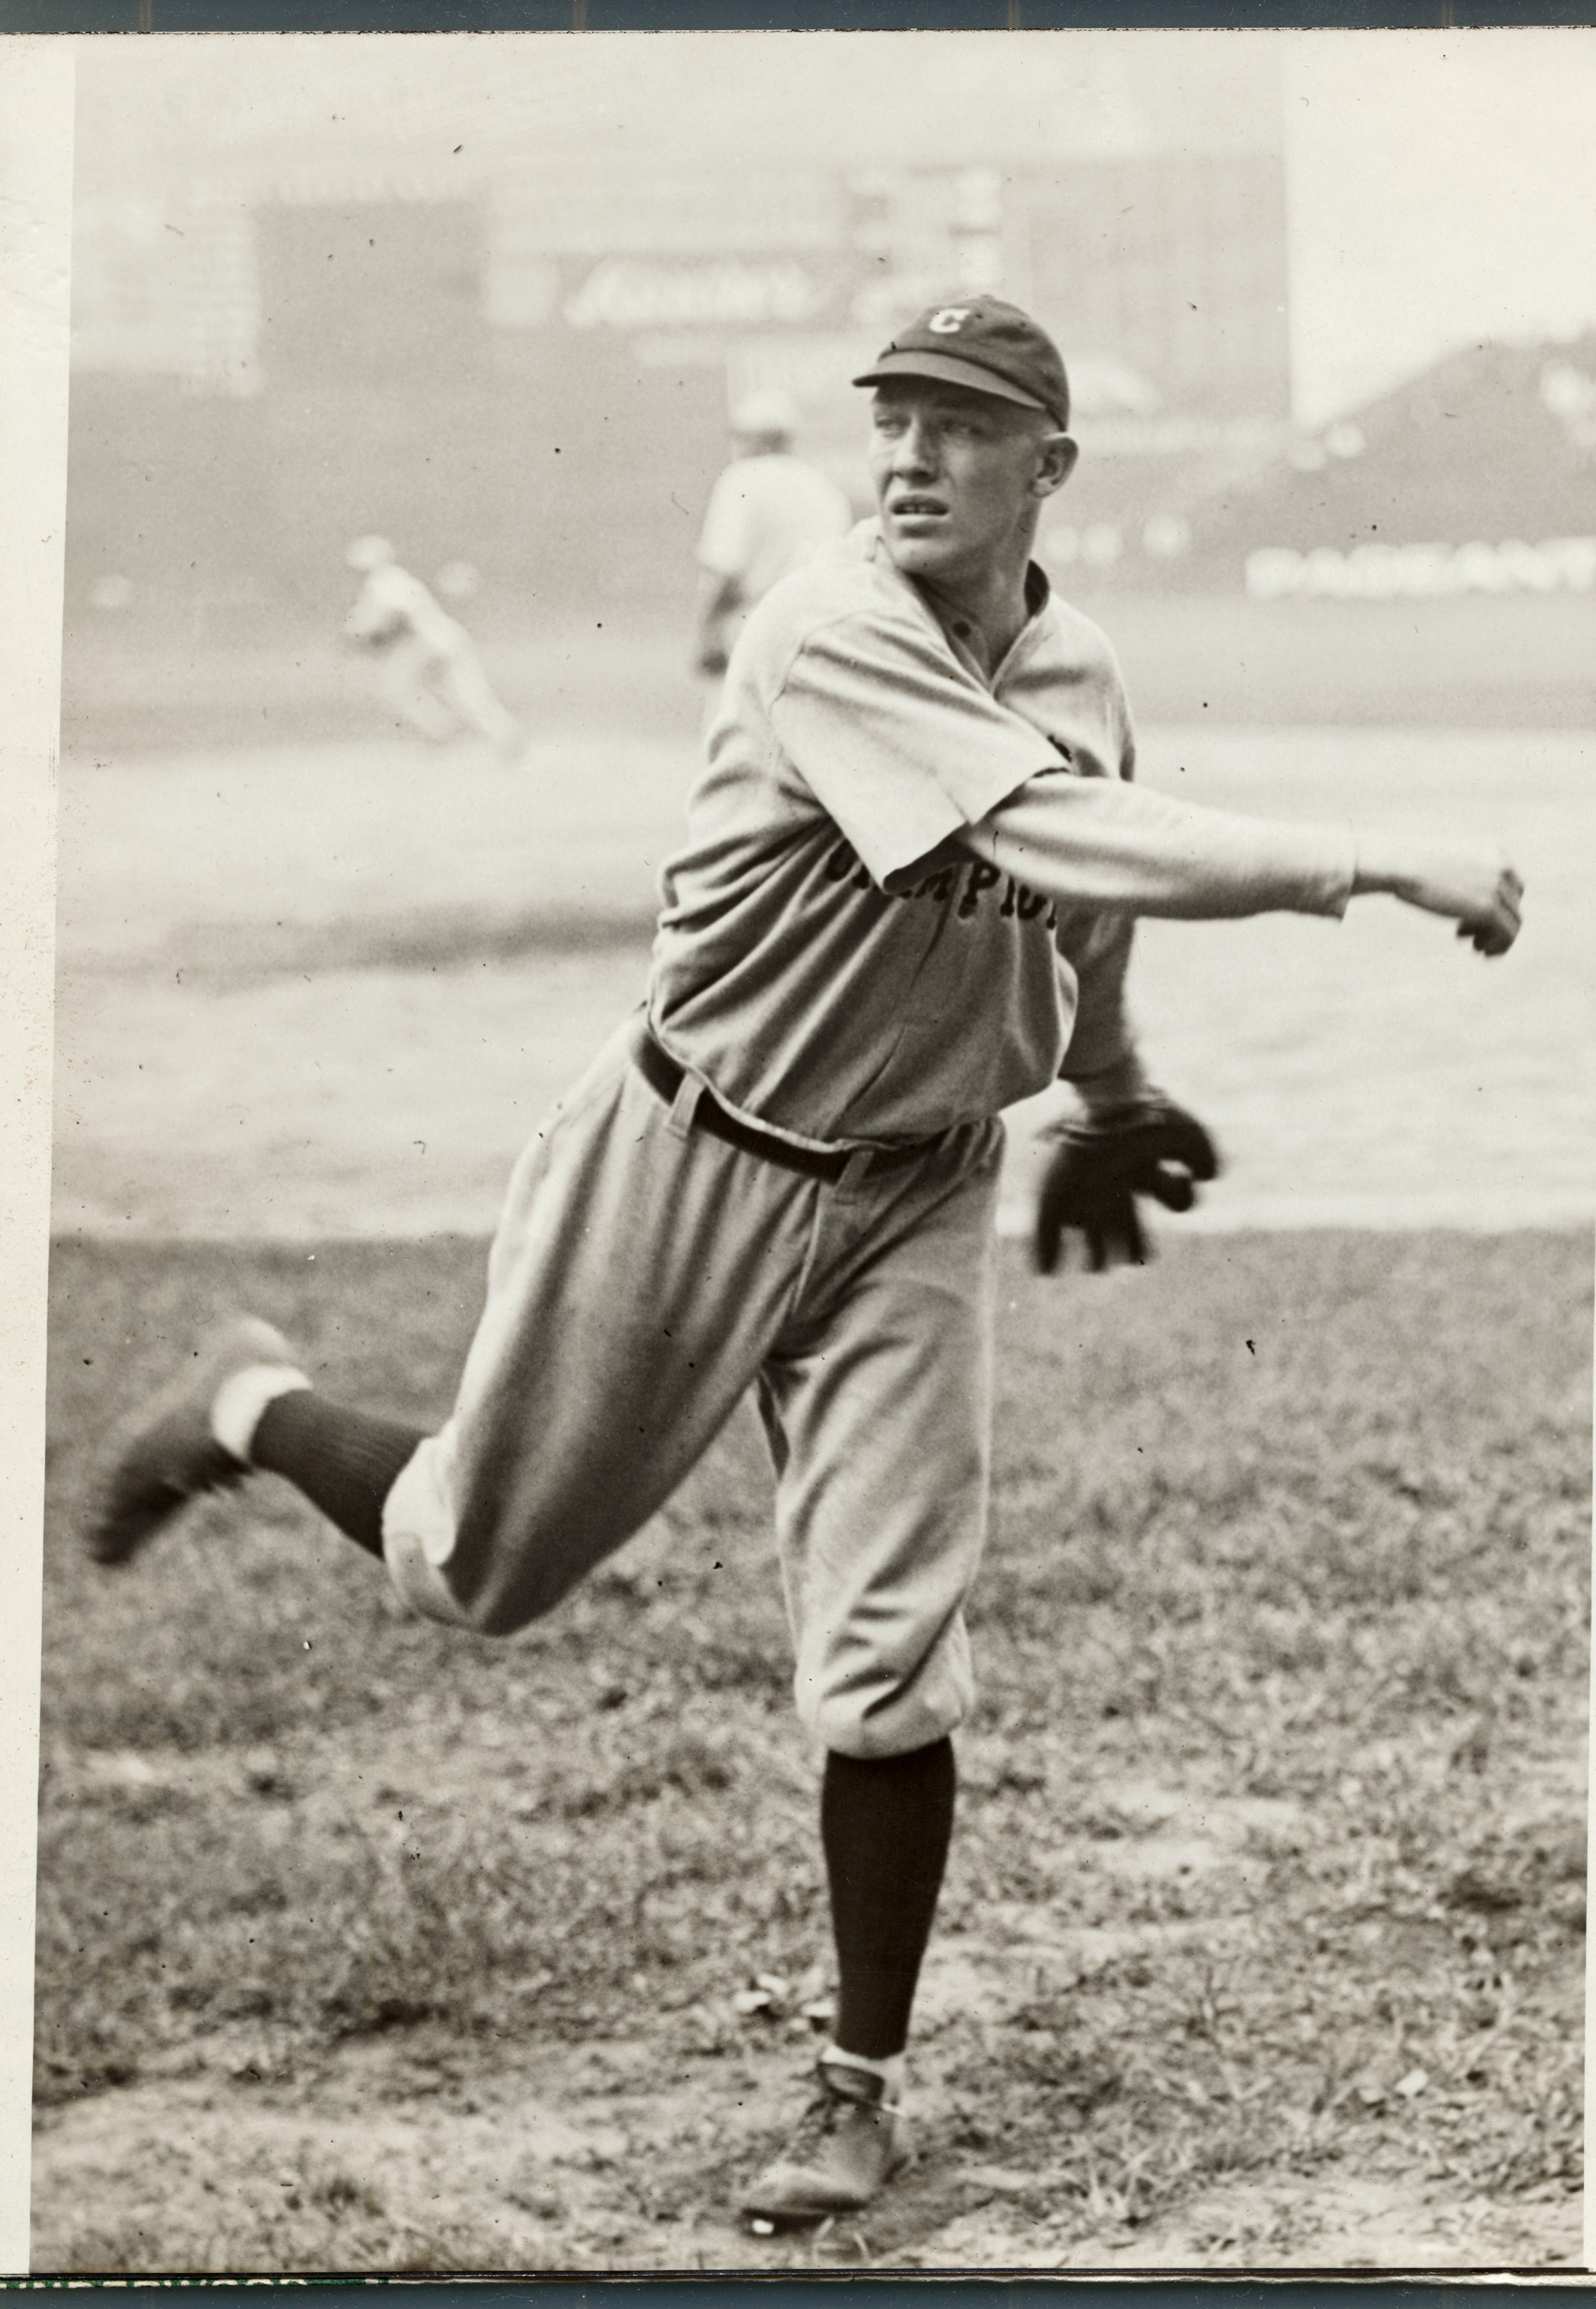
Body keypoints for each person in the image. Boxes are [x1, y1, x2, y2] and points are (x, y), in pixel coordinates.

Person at [86, 297, 1522, 2227]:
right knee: (472, 1568)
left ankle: (857, 2089)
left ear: (1051, 469)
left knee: (886, 1661)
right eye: (897, 419)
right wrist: (1376, 864)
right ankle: (249, 1401)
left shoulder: (1077, 660)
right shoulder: (827, 629)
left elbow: (1069, 913)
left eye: (964, 424)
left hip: (915, 1191)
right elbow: (1040, 822)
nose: (914, 455)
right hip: (692, 1155)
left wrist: (1107, 1096)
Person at [691, 390, 853, 682]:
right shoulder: (824, 488)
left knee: (735, 723)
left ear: (764, 439)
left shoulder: (741, 479)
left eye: (743, 436)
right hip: (818, 633)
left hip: (754, 629)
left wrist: (704, 635)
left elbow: (723, 570)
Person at [342, 534, 523, 755]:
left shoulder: (383, 581)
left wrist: (368, 638)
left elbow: (394, 618)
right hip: (445, 639)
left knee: (398, 686)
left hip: (427, 643)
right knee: (467, 695)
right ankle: (504, 735)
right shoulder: (393, 579)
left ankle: (442, 729)